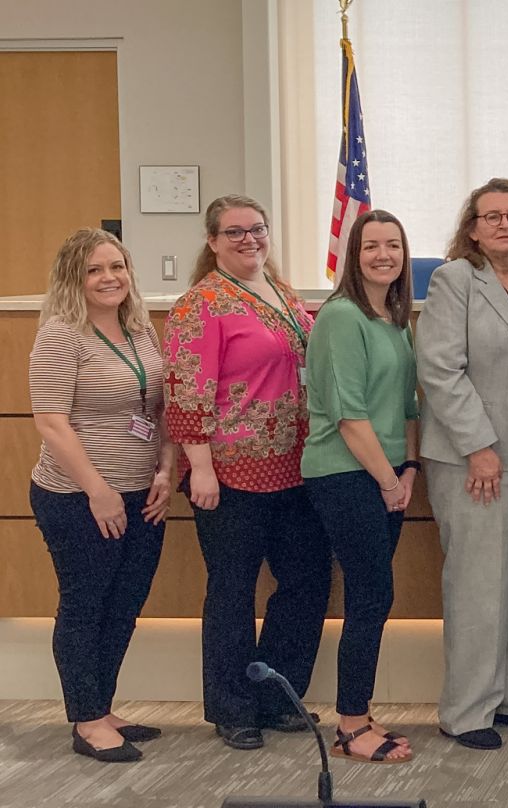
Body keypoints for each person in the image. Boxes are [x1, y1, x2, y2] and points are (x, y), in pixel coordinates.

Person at [166, 194, 332, 751]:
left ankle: (276, 694)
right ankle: (233, 707)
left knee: (307, 582)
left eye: (256, 229)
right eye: (234, 232)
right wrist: (201, 468)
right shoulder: (201, 304)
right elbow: (186, 392)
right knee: (233, 594)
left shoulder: (283, 295)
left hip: (298, 468)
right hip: (230, 474)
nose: (248, 240)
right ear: (212, 241)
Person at [417, 178, 508, 751]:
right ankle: (467, 710)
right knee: (478, 584)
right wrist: (479, 446)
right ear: (472, 228)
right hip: (474, 456)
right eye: (491, 216)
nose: (505, 224)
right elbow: (440, 371)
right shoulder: (455, 281)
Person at [29, 229, 174, 762]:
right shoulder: (61, 334)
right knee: (85, 606)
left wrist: (165, 467)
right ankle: (86, 719)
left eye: (117, 266)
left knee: (124, 606)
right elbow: (50, 422)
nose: (109, 278)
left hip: (142, 494)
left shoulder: (140, 330)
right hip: (77, 496)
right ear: (74, 277)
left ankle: (102, 705)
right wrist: (98, 491)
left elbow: (155, 408)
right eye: (94, 270)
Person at [301, 210, 419, 764]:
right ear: (354, 253)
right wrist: (388, 479)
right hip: (346, 474)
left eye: (393, 245)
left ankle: (359, 711)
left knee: (374, 596)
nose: (383, 255)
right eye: (371, 245)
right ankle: (351, 725)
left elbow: (408, 405)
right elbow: (348, 416)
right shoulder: (341, 317)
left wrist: (410, 468)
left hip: (388, 475)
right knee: (370, 596)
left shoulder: (393, 317)